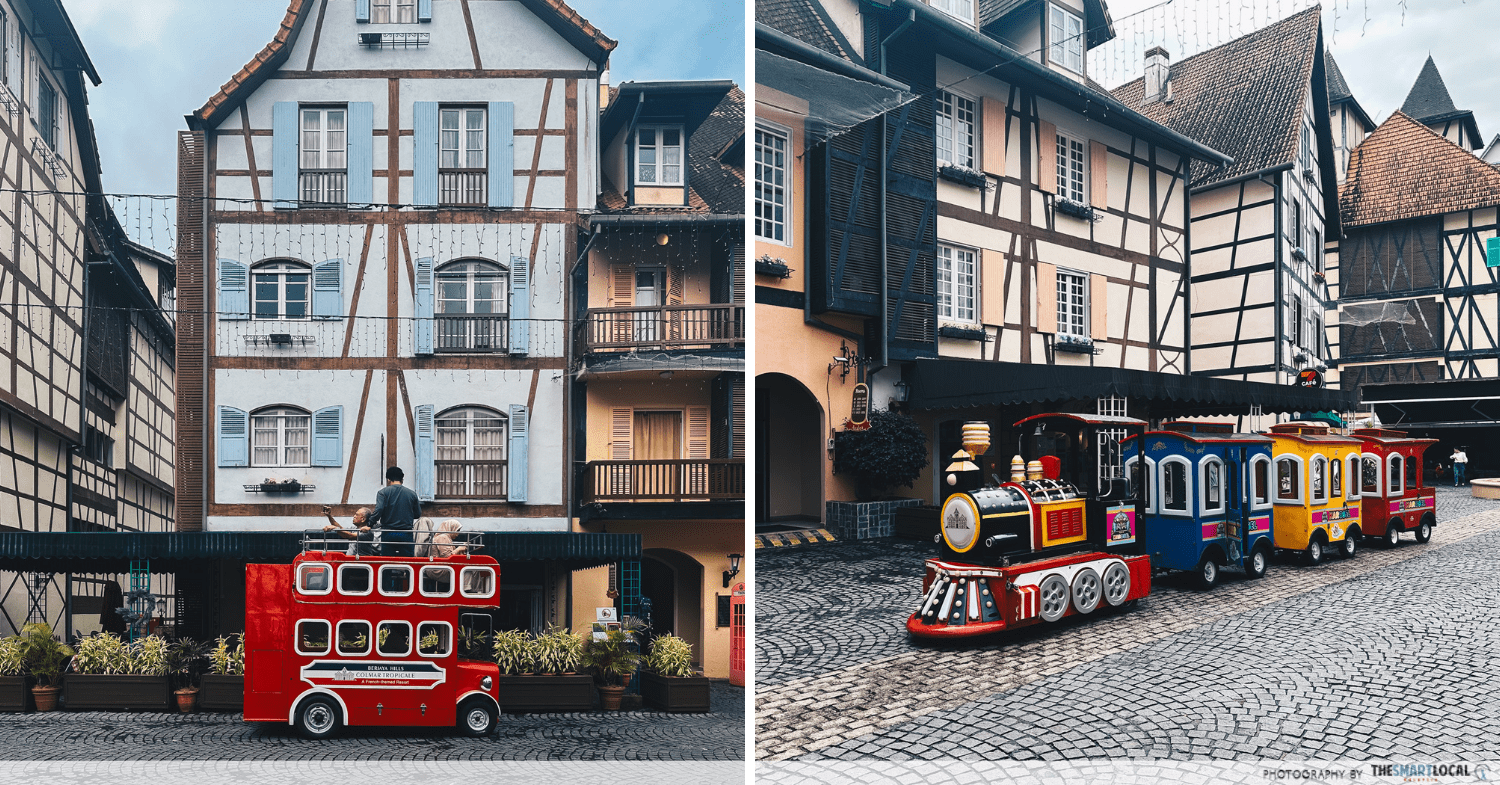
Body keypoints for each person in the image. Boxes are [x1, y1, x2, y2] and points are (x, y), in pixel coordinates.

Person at [367, 466, 421, 556]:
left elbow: (379, 509)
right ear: (402, 479)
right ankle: (406, 571)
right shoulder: (412, 494)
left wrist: (369, 524)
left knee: (387, 562)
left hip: (388, 532)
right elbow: (417, 514)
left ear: (388, 479)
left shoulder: (383, 493)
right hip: (406, 532)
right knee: (408, 562)